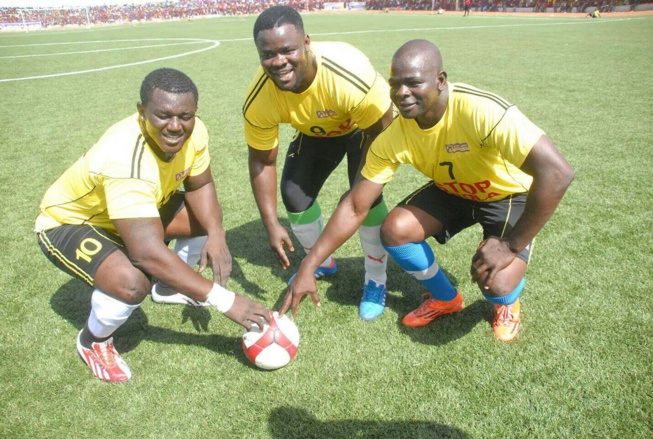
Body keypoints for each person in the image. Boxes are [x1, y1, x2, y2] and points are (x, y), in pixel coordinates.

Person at [282, 40, 574, 342]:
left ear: (440, 80)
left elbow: (558, 173)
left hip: (508, 195)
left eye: (413, 83)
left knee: (497, 285)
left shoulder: (480, 110)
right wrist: (310, 264)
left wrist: (510, 245)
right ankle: (446, 298)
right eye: (395, 85)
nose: (401, 93)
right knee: (395, 229)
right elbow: (356, 205)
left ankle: (508, 303)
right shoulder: (395, 135)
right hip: (454, 190)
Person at [36, 68, 270, 382]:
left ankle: (168, 287)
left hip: (134, 212)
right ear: (141, 111)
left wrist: (216, 233)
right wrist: (226, 301)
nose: (175, 126)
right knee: (132, 282)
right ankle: (93, 342)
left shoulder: (196, 131)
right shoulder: (125, 158)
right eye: (162, 115)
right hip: (72, 222)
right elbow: (147, 254)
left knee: (203, 218)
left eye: (185, 116)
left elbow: (200, 187)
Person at [244, 6, 395, 321]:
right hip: (315, 132)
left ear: (307, 43)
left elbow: (380, 133)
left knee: (367, 199)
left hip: (366, 130)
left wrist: (359, 195)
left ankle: (375, 279)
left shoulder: (350, 76)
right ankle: (323, 261)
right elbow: (262, 162)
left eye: (288, 50)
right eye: (267, 54)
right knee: (295, 196)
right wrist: (271, 222)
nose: (279, 61)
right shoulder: (260, 97)